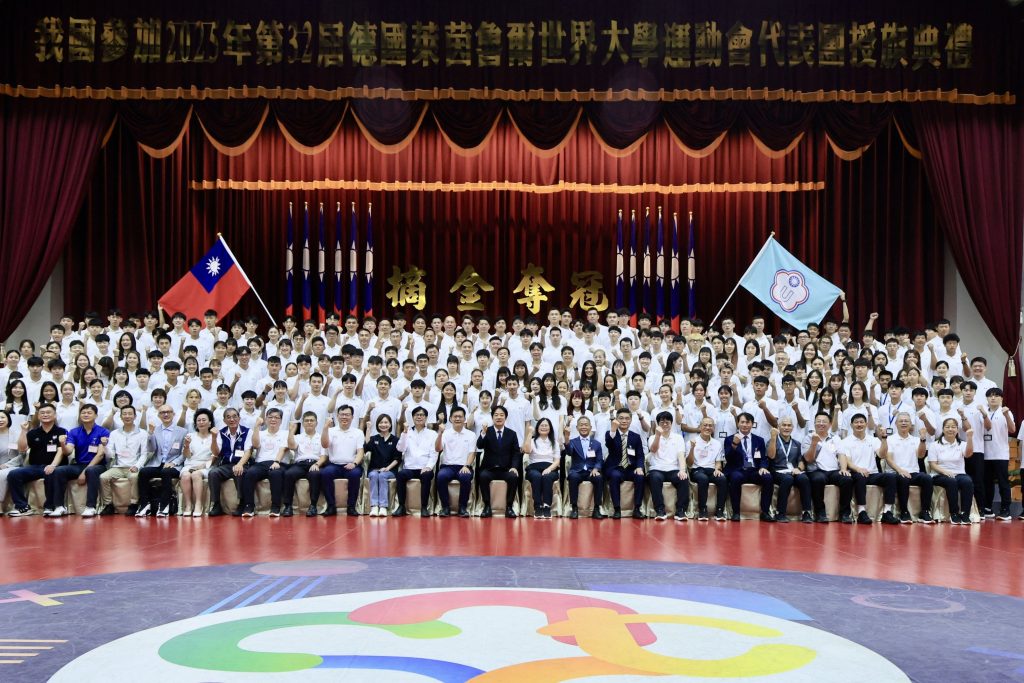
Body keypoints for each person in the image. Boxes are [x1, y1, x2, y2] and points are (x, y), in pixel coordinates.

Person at [50, 404, 110, 518]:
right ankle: (59, 506)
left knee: (91, 471)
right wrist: (62, 444)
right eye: (83, 413)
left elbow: (100, 454)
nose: (86, 415)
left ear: (96, 415)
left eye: (89, 412)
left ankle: (90, 507)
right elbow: (68, 451)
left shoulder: (103, 431)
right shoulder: (74, 432)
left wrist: (84, 472)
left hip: (98, 466)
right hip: (79, 464)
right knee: (59, 471)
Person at [837, 414, 899, 525]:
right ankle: (861, 512)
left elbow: (882, 455)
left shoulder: (873, 440)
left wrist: (884, 439)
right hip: (856, 472)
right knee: (860, 477)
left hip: (873, 473)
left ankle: (887, 512)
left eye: (861, 422)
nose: (859, 424)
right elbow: (848, 462)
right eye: (856, 422)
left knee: (891, 476)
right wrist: (859, 469)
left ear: (866, 424)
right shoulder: (846, 441)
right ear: (851, 425)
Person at [7, 405, 68, 516]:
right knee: (13, 474)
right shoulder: (33, 433)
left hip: (55, 466)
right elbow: (22, 448)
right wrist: (24, 431)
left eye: (48, 412)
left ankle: (49, 506)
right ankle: (23, 507)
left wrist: (53, 465)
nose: (45, 415)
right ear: (38, 416)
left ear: (54, 415)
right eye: (42, 413)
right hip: (35, 467)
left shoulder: (61, 431)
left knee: (50, 473)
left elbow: (61, 451)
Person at [801, 413, 854, 523]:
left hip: (833, 471)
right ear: (814, 423)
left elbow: (841, 454)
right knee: (818, 479)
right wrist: (814, 443)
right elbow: (808, 459)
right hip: (816, 471)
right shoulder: (808, 438)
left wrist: (843, 469)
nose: (821, 424)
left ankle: (845, 514)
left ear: (830, 424)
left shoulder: (835, 438)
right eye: (818, 421)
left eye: (824, 421)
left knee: (847, 479)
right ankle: (820, 513)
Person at [97, 405, 149, 516]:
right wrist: (105, 446)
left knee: (134, 477)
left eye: (130, 414)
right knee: (103, 477)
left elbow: (144, 454)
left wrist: (137, 466)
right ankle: (108, 505)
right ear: (120, 417)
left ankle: (134, 504)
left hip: (133, 466)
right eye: (124, 414)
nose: (127, 416)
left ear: (135, 416)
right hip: (118, 467)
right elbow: (110, 455)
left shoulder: (143, 433)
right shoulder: (114, 433)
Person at [136, 405, 187, 517]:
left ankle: (164, 505)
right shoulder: (155, 430)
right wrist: (150, 434)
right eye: (163, 412)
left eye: (169, 412)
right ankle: (145, 504)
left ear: (173, 414)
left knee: (166, 472)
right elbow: (152, 449)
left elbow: (184, 453)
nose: (166, 414)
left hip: (173, 464)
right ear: (159, 415)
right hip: (158, 463)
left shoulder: (182, 431)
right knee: (144, 472)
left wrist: (174, 463)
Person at [884, 413, 935, 523]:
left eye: (906, 421)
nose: (903, 423)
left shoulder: (916, 440)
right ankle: (904, 512)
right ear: (896, 424)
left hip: (913, 472)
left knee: (927, 478)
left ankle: (925, 512)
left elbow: (921, 455)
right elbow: (889, 459)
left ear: (911, 424)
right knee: (903, 478)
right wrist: (900, 470)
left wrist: (922, 440)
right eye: (901, 421)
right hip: (895, 472)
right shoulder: (890, 439)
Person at [238, 409, 290, 517]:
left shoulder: (285, 433)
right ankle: (249, 506)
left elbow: (283, 449)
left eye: (276, 417)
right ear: (266, 419)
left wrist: (276, 461)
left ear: (281, 420)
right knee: (249, 473)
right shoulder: (260, 433)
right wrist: (256, 427)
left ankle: (275, 507)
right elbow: (256, 445)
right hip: (261, 463)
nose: (273, 419)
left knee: (275, 473)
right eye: (270, 417)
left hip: (279, 462)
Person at [275, 411, 327, 517]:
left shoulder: (321, 437)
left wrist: (317, 464)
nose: (309, 423)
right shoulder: (298, 437)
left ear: (316, 423)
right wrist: (291, 432)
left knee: (315, 474)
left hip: (315, 463)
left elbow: (324, 456)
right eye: (306, 421)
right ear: (303, 423)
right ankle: (288, 506)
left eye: (311, 420)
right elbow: (291, 446)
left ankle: (313, 506)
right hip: (300, 464)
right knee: (288, 474)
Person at [723, 413, 773, 522]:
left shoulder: (759, 440)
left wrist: (763, 467)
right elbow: (728, 458)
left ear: (752, 424)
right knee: (735, 478)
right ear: (738, 423)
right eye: (742, 422)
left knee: (768, 477)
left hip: (754, 470)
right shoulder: (729, 439)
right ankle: (736, 512)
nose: (745, 425)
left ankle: (765, 512)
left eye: (748, 422)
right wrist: (734, 445)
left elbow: (763, 458)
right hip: (738, 470)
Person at [475, 405, 522, 518]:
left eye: (501, 415)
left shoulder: (512, 433)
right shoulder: (487, 431)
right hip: (489, 468)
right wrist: (483, 433)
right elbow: (479, 445)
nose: (499, 417)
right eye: (496, 415)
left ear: (505, 417)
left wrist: (514, 467)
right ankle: (487, 506)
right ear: (492, 417)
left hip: (506, 469)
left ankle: (509, 507)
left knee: (513, 476)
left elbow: (516, 453)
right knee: (483, 476)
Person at [929, 417, 976, 524]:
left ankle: (965, 514)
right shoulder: (934, 445)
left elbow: (968, 454)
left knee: (967, 481)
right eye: (947, 427)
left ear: (957, 430)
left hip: (959, 473)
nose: (951, 429)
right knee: (951, 481)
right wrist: (945, 472)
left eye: (953, 427)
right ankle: (954, 513)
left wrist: (969, 438)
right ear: (943, 429)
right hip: (939, 474)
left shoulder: (962, 444)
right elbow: (932, 464)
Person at [320, 404, 365, 516]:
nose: (344, 417)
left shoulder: (358, 432)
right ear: (337, 416)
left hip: (351, 464)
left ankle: (351, 507)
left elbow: (360, 451)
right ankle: (331, 506)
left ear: (352, 417)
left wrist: (354, 463)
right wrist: (325, 428)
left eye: (347, 415)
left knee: (355, 475)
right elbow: (325, 445)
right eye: (342, 414)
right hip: (334, 464)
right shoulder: (331, 431)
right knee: (325, 473)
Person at [766, 419, 813, 523]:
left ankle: (806, 512)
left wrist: (799, 469)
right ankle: (780, 513)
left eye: (789, 425)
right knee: (787, 479)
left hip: (793, 471)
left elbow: (801, 461)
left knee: (804, 478)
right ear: (779, 427)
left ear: (792, 428)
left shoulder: (797, 443)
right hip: (777, 471)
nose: (786, 428)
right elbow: (771, 455)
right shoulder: (772, 441)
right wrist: (773, 438)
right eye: (784, 425)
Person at [603, 408, 647, 519]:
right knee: (615, 476)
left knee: (640, 476)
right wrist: (613, 429)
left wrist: (640, 467)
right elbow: (609, 443)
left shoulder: (635, 437)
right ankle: (617, 509)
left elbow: (640, 455)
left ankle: (637, 508)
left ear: (631, 420)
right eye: (621, 418)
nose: (624, 421)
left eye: (627, 418)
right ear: (616, 419)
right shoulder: (610, 433)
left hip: (630, 468)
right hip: (615, 467)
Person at [207, 408, 252, 517]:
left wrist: (240, 464)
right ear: (224, 420)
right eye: (228, 417)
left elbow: (248, 451)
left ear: (239, 418)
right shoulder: (221, 433)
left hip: (242, 463)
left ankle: (242, 503)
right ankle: (216, 504)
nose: (232, 419)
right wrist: (213, 438)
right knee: (213, 473)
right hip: (226, 465)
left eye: (234, 416)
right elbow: (216, 452)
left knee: (239, 472)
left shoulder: (247, 431)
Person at [434, 407, 477, 517]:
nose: (458, 418)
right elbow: (438, 449)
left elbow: (472, 453)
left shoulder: (471, 435)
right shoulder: (446, 433)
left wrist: (467, 465)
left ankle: (462, 508)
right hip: (448, 466)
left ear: (464, 419)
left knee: (465, 476)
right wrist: (439, 434)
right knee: (441, 476)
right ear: (450, 419)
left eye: (460, 416)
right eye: (455, 416)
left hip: (464, 465)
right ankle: (445, 507)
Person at [395, 406, 437, 516]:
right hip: (410, 468)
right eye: (417, 415)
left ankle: (424, 507)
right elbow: (400, 449)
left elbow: (434, 453)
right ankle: (401, 506)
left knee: (426, 476)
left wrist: (428, 467)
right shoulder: (407, 432)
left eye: (422, 415)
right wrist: (404, 433)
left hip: (424, 468)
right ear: (412, 417)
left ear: (426, 418)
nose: (419, 417)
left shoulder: (432, 434)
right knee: (400, 475)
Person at [647, 411, 690, 521]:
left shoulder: (678, 438)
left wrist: (682, 470)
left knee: (683, 478)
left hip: (673, 469)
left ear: (671, 424)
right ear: (658, 424)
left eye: (667, 422)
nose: (665, 424)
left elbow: (681, 455)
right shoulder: (652, 437)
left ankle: (681, 510)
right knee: (654, 478)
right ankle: (660, 510)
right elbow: (653, 449)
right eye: (662, 422)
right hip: (657, 468)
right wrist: (657, 435)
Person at [982, 387, 1015, 521]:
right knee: (987, 483)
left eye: (996, 396)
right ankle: (987, 508)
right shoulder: (983, 412)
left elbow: (1012, 429)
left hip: (1000, 453)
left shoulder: (1005, 412)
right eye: (990, 396)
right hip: (985, 453)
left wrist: (1007, 415)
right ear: (987, 399)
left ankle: (1005, 509)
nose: (993, 398)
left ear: (1001, 398)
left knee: (1003, 483)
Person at [178, 408, 218, 517]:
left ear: (210, 422)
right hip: (190, 464)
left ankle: (198, 504)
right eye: (198, 420)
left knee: (196, 474)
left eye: (204, 420)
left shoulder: (214, 436)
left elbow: (215, 454)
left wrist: (203, 466)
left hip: (207, 465)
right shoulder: (190, 435)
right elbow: (187, 455)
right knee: (186, 475)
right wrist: (186, 445)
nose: (201, 422)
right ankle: (188, 504)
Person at [688, 416, 728, 521]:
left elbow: (718, 462)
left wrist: (717, 469)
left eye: (710, 425)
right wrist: (692, 448)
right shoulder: (692, 441)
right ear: (700, 427)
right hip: (697, 469)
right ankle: (702, 510)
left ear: (713, 428)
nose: (707, 427)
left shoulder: (717, 443)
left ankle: (720, 510)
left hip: (711, 469)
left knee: (723, 479)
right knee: (703, 479)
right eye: (705, 425)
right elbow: (689, 463)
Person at [565, 415, 605, 519]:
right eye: (581, 425)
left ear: (590, 427)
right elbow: (569, 452)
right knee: (573, 478)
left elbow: (600, 459)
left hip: (591, 471)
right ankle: (574, 508)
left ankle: (596, 509)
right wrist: (567, 438)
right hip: (577, 471)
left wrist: (596, 469)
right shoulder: (573, 441)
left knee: (599, 478)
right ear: (577, 428)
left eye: (586, 425)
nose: (584, 427)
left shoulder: (596, 444)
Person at [363, 414, 400, 517]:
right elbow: (366, 447)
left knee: (382, 475)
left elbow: (398, 458)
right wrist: (368, 429)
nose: (383, 425)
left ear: (390, 424)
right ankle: (374, 506)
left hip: (390, 470)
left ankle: (383, 506)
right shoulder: (374, 438)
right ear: (377, 424)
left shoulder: (395, 440)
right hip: (374, 469)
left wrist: (387, 468)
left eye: (386, 422)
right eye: (381, 422)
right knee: (374, 475)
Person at [523, 418, 559, 518]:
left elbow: (557, 461)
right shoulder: (532, 440)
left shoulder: (554, 442)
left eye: (546, 425)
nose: (544, 427)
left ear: (550, 428)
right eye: (541, 425)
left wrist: (549, 469)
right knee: (536, 476)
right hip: (534, 468)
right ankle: (537, 506)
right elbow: (526, 450)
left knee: (547, 477)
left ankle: (547, 506)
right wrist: (529, 433)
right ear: (537, 428)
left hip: (550, 467)